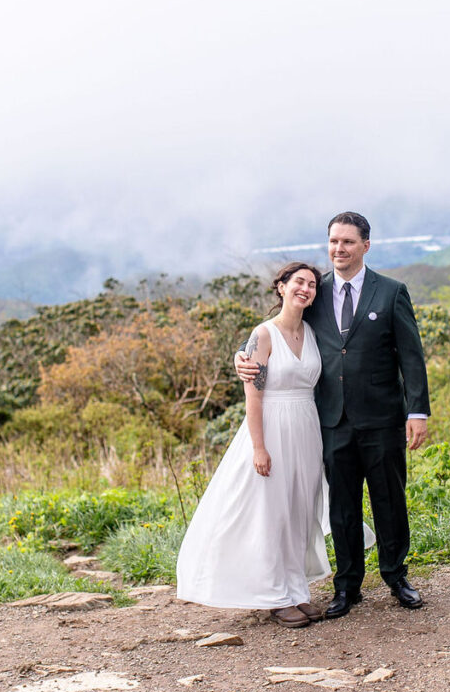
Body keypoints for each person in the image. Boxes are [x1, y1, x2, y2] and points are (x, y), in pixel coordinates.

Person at [236, 211, 430, 619]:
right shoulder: (315, 292)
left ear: (365, 246)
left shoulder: (392, 291)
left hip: (382, 418)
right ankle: (347, 587)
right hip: (329, 420)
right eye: (333, 242)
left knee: (389, 500)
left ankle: (397, 578)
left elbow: (411, 357)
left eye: (347, 242)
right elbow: (279, 330)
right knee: (341, 506)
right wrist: (242, 357)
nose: (339, 249)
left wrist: (418, 411)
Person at [176, 262, 331, 629]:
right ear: (280, 287)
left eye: (311, 284)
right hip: (271, 427)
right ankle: (274, 596)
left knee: (299, 512)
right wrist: (258, 447)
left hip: (306, 429)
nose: (305, 289)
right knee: (271, 513)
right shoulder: (262, 336)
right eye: (298, 282)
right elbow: (254, 397)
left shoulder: (312, 332)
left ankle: (298, 591)